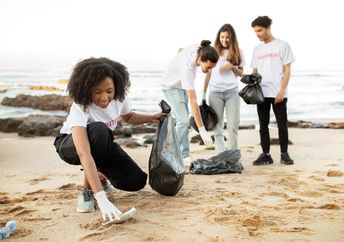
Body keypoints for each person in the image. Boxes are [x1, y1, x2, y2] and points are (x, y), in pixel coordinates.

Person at [53, 57, 165, 222]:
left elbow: (128, 116)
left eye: (109, 91)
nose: (104, 97)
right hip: (70, 146)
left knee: (136, 181)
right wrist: (101, 198)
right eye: (97, 92)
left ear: (116, 88)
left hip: (101, 145)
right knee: (99, 129)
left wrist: (152, 117)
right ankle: (86, 191)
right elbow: (84, 153)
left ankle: (98, 176)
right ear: (86, 88)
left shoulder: (120, 97)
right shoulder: (81, 105)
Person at [161, 40, 219, 165]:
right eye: (208, 67)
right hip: (171, 87)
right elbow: (194, 101)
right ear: (200, 59)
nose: (209, 70)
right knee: (183, 121)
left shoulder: (201, 48)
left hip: (180, 86)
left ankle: (185, 154)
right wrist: (202, 129)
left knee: (183, 120)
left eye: (212, 68)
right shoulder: (188, 69)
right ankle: (166, 154)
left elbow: (180, 49)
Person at [250, 16, 295, 165]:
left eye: (260, 30)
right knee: (263, 126)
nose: (258, 34)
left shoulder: (282, 45)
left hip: (278, 92)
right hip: (261, 93)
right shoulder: (256, 50)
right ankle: (266, 154)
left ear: (268, 27)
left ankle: (284, 154)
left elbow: (287, 70)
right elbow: (255, 72)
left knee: (282, 124)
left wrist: (282, 90)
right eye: (255, 31)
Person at [203, 23, 245, 154]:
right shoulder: (213, 51)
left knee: (232, 126)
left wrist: (232, 67)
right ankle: (220, 154)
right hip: (215, 93)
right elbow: (208, 73)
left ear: (232, 38)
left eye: (227, 37)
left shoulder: (239, 52)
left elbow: (242, 74)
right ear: (218, 37)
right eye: (222, 37)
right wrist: (203, 93)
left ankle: (232, 154)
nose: (224, 40)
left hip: (232, 92)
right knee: (217, 126)